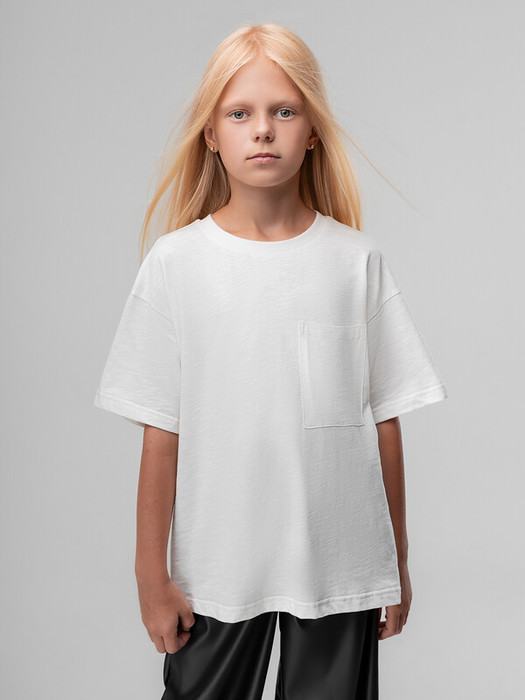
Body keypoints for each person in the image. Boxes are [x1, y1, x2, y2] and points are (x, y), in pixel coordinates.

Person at [94, 22, 448, 700]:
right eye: (240, 113)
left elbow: (384, 420)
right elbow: (160, 429)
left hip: (339, 565)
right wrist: (149, 576)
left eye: (284, 111)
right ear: (210, 133)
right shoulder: (176, 265)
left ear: (312, 130)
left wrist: (395, 564)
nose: (262, 129)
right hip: (216, 567)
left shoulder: (355, 262)